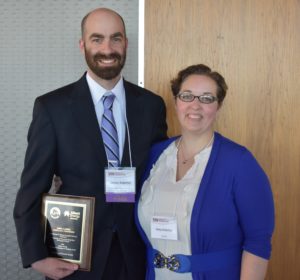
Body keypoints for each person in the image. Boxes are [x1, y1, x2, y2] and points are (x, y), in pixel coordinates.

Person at [13, 8, 167, 280]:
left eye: (115, 38)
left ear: (126, 44)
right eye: (97, 39)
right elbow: (31, 188)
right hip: (75, 260)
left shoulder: (152, 106)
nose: (107, 49)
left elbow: (160, 177)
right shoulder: (52, 108)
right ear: (82, 44)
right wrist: (36, 256)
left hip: (138, 257)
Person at [135, 64, 275, 279]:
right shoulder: (156, 155)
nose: (195, 106)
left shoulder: (239, 162)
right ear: (176, 101)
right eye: (187, 96)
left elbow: (258, 241)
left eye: (207, 98)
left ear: (218, 106)